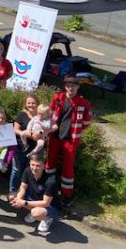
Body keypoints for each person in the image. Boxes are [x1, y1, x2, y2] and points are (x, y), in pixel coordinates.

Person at [46, 76, 92, 207]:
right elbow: (50, 113)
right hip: (55, 136)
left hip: (70, 140)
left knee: (68, 168)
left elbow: (87, 122)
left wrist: (76, 131)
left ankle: (66, 195)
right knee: (50, 162)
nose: (70, 88)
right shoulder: (57, 97)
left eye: (73, 86)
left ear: (78, 87)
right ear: (65, 86)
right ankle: (49, 188)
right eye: (68, 85)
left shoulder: (84, 103)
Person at [11, 154, 62, 233]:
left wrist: (24, 203)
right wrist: (18, 199)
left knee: (36, 213)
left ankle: (47, 218)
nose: (34, 168)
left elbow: (45, 203)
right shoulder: (28, 171)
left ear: (43, 166)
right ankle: (35, 213)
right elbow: (23, 187)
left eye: (38, 166)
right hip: (35, 199)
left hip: (51, 206)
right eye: (32, 165)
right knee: (12, 197)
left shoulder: (50, 181)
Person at [11, 94, 39, 199]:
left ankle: (24, 193)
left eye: (33, 103)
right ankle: (12, 191)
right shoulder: (22, 115)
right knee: (17, 169)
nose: (31, 105)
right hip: (20, 146)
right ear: (25, 104)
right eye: (29, 103)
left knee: (30, 170)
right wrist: (25, 133)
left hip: (34, 148)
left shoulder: (40, 116)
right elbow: (15, 130)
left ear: (37, 104)